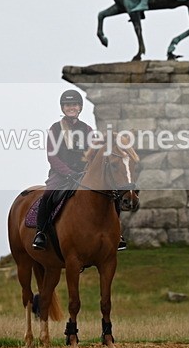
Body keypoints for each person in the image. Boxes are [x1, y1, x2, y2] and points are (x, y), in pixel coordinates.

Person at [32, 90, 130, 251]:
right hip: (61, 175)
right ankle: (40, 233)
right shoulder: (55, 129)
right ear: (63, 108)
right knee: (48, 195)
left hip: (84, 174)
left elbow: (96, 153)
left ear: (80, 107)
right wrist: (68, 172)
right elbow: (52, 157)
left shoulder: (88, 129)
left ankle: (116, 234)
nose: (71, 107)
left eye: (74, 105)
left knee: (113, 195)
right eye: (68, 105)